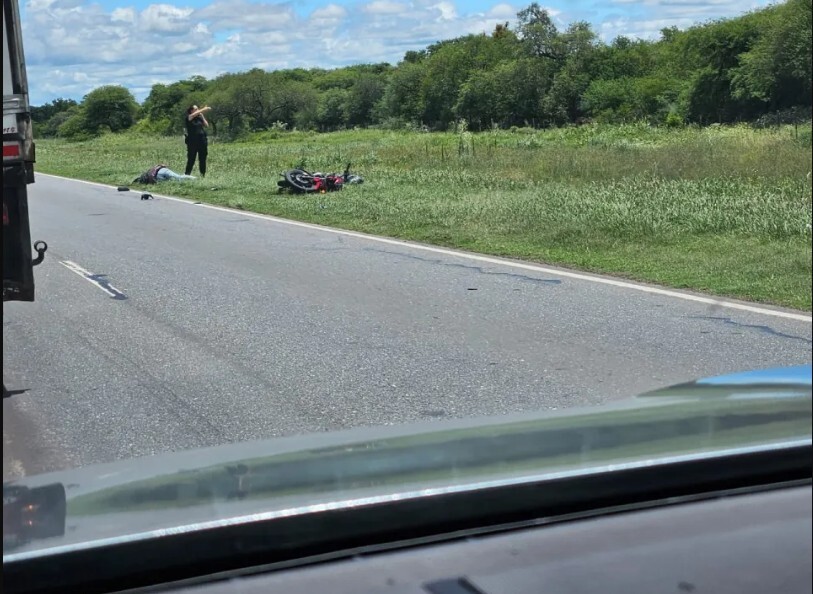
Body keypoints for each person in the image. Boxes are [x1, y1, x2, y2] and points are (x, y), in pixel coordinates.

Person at [184, 105, 211, 177]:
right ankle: (187, 175)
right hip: (192, 142)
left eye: (198, 109)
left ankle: (202, 174)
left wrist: (202, 116)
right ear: (191, 110)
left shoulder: (199, 118)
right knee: (191, 159)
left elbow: (206, 125)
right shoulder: (189, 117)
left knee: (202, 158)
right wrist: (204, 109)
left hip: (202, 141)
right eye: (196, 109)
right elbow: (192, 115)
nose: (198, 110)